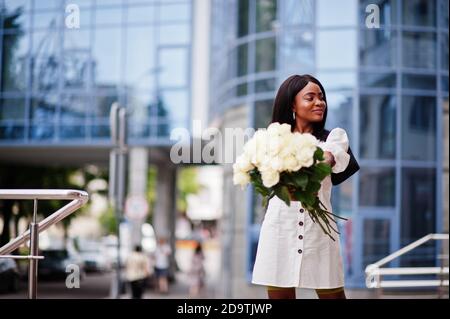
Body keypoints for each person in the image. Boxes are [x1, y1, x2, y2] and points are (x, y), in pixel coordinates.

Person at [251, 74, 360, 299]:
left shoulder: (334, 137)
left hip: (319, 232)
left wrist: (305, 163)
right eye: (310, 97)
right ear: (292, 103)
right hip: (280, 229)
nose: (319, 102)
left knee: (334, 295)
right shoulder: (272, 140)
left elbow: (329, 159)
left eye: (321, 97)